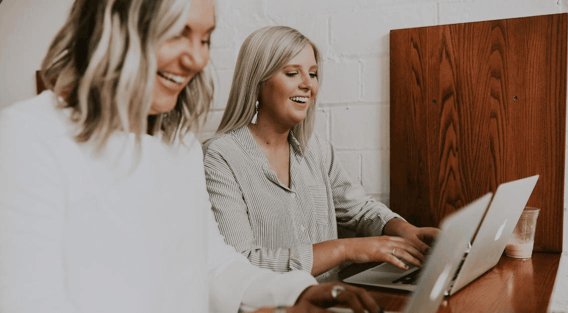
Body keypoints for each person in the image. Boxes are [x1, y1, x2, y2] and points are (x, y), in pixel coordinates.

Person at [0, 1, 381, 312]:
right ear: (114, 26)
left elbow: (211, 262)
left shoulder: (178, 143)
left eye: (205, 39)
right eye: (178, 33)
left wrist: (293, 293)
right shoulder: (29, 136)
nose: (197, 59)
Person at [203, 26, 439, 282]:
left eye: (313, 74)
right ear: (257, 82)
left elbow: (358, 209)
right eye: (292, 73)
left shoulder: (316, 150)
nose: (308, 84)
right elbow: (242, 264)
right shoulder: (219, 157)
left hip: (330, 301)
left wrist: (404, 230)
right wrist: (345, 249)